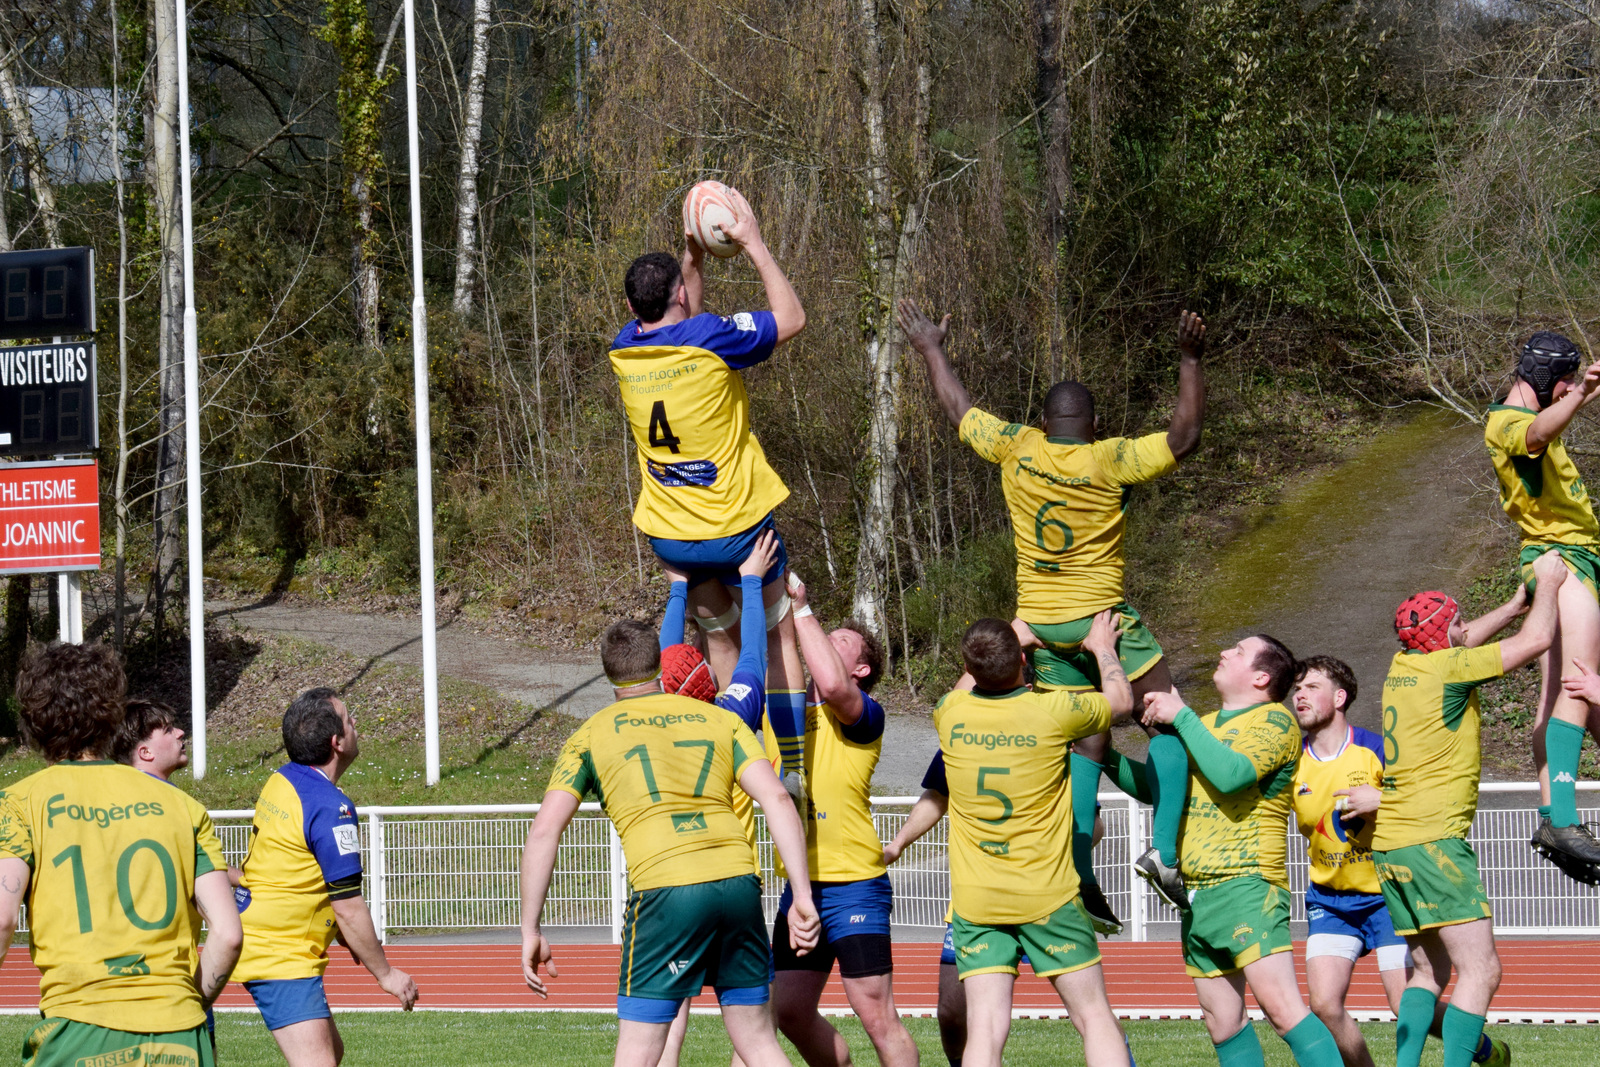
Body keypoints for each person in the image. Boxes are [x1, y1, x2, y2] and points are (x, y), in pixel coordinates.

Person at [898, 297, 1206, 929]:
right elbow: (1184, 438)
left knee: (1087, 739)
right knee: (1166, 724)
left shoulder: (1018, 447)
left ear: (1043, 421)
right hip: (1102, 621)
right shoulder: (1110, 457)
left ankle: (1082, 873)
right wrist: (1189, 359)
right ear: (1093, 426)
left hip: (1038, 626)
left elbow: (959, 410)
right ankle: (1165, 853)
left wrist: (931, 349)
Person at [521, 620, 819, 1067]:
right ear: (659, 665)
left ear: (608, 673)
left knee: (639, 1049)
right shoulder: (721, 719)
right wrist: (802, 895)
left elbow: (546, 829)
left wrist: (530, 929)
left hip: (666, 890)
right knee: (759, 1043)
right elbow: (778, 798)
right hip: (737, 883)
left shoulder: (589, 736)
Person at [610, 188, 810, 797]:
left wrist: (692, 256)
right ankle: (792, 767)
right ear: (678, 295)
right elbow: (792, 318)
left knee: (720, 633)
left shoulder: (624, 348)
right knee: (776, 633)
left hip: (672, 541)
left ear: (631, 306)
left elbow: (682, 315)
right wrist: (753, 244)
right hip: (737, 529)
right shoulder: (713, 339)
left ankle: (730, 752)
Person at [0, 643, 242, 1067]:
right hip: (181, 1034)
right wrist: (188, 1004)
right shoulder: (183, 806)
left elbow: (2, 921)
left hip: (80, 1026)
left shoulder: (19, 804)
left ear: (33, 719)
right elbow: (228, 934)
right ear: (112, 713)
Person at [1374, 552, 1564, 1067]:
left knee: (1427, 972)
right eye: (1459, 623)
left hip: (1391, 844)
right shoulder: (1449, 669)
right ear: (1446, 635)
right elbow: (1536, 642)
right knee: (1481, 970)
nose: (1465, 630)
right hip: (1433, 841)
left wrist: (1512, 606)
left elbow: (1456, 639)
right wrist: (1548, 584)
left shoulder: (1403, 666)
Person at [934, 615, 1134, 1067]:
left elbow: (964, 685)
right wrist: (1102, 647)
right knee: (1093, 1017)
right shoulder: (1053, 710)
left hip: (978, 899)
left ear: (968, 666)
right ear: (1023, 662)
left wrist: (1008, 637)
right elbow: (1121, 701)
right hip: (1047, 893)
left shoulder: (950, 713)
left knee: (984, 1030)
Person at [1289, 657, 1510, 1067]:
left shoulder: (1376, 750)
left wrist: (1382, 799)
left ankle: (1484, 1050)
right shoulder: (1291, 762)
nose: (1299, 695)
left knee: (1400, 1001)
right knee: (1324, 1005)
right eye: (1296, 689)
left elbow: (1418, 798)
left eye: (1311, 687)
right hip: (1330, 899)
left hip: (1387, 894)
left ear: (1340, 697)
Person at [1138, 636, 1342, 1067]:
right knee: (1222, 1023)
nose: (1225, 652)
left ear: (1261, 677)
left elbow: (1232, 775)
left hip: (1247, 884)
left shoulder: (1275, 720)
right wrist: (1099, 755)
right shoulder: (1204, 723)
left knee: (1282, 1011)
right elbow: (1160, 788)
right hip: (1196, 893)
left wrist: (1182, 716)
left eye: (1238, 651)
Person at [766, 576, 918, 1067]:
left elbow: (832, 684)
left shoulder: (863, 714)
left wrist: (802, 607)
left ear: (861, 669)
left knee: (876, 1015)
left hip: (854, 884)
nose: (828, 639)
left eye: (842, 641)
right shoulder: (784, 711)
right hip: (801, 888)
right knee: (788, 1011)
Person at [883, 750, 1105, 1067]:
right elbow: (937, 795)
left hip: (1045, 896)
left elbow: (1093, 823)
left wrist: (1052, 852)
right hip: (978, 899)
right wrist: (898, 844)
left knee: (1091, 1014)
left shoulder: (1053, 736)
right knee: (953, 1015)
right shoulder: (959, 737)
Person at [233, 689, 419, 1067]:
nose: (356, 724)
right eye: (350, 720)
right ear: (337, 742)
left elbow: (295, 871)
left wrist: (344, 935)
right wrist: (386, 974)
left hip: (264, 941)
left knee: (333, 1052)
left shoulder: (283, 779)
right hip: (281, 955)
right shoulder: (330, 807)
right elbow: (347, 906)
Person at [653, 533, 777, 1067]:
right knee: (752, 1028)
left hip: (671, 879)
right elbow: (754, 654)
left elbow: (663, 658)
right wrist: (750, 580)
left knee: (666, 1020)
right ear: (706, 678)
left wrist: (678, 590)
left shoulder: (643, 726)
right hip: (732, 878)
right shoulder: (732, 716)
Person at [1483, 330, 1600, 877]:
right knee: (1580, 683)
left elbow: (1547, 423)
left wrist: (1583, 395)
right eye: (1564, 383)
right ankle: (1565, 820)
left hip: (1567, 557)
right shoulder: (1506, 421)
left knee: (1557, 694)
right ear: (1546, 379)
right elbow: (1535, 433)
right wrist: (1581, 396)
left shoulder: (1532, 411)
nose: (1568, 392)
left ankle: (1553, 815)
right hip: (1561, 557)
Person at [113, 697, 191, 780]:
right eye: (168, 730)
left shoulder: (123, 786)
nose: (181, 732)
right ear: (146, 752)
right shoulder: (147, 788)